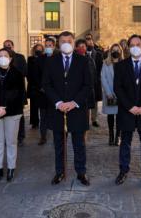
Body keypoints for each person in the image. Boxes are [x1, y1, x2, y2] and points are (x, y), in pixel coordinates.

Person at [42, 31, 92, 186]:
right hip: (58, 110)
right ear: (58, 43)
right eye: (62, 41)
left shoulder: (83, 61)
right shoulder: (51, 61)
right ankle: (60, 172)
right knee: (59, 144)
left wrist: (74, 102)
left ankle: (81, 172)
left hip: (77, 109)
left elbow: (88, 85)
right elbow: (46, 84)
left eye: (68, 41)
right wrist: (58, 102)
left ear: (73, 42)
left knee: (79, 144)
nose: (65, 43)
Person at [114, 34, 141, 188]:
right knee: (125, 143)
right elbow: (118, 88)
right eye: (132, 44)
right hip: (127, 111)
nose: (135, 47)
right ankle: (123, 171)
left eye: (138, 44)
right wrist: (130, 107)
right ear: (128, 47)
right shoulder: (120, 66)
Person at [0, 48, 25, 183]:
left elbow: (21, 96)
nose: (2, 58)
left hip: (12, 112)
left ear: (11, 58)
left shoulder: (18, 74)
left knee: (11, 141)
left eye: (5, 55)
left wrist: (6, 108)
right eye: (0, 55)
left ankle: (11, 168)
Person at [3, 39, 27, 146]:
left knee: (19, 115)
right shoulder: (1, 57)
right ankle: (7, 137)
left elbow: (25, 72)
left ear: (13, 46)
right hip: (5, 93)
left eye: (9, 46)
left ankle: (20, 136)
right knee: (5, 115)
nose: (8, 47)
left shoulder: (20, 57)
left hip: (18, 91)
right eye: (5, 46)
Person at [101, 43, 123, 146]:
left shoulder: (124, 63)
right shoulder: (106, 63)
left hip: (121, 94)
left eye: (117, 50)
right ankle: (111, 135)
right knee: (110, 115)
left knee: (119, 116)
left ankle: (118, 136)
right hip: (109, 93)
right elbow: (103, 78)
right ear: (110, 52)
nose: (116, 52)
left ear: (120, 52)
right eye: (113, 50)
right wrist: (108, 92)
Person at [75, 39, 97, 114]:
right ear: (76, 48)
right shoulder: (73, 59)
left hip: (88, 88)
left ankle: (86, 125)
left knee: (87, 109)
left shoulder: (90, 59)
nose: (81, 48)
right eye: (79, 46)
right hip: (77, 90)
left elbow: (94, 73)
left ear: (86, 47)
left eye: (83, 46)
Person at [86, 35, 103, 127]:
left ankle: (94, 119)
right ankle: (86, 119)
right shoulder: (82, 54)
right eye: (88, 43)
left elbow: (100, 67)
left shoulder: (98, 54)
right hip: (85, 82)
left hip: (95, 81)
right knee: (86, 100)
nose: (90, 44)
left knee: (95, 101)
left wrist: (98, 79)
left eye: (91, 42)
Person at [27, 44, 44, 129]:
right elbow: (29, 72)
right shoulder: (30, 59)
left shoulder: (45, 59)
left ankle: (44, 121)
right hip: (33, 85)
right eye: (37, 49)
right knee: (33, 105)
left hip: (43, 86)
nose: (38, 50)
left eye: (40, 49)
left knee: (43, 105)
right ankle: (34, 122)